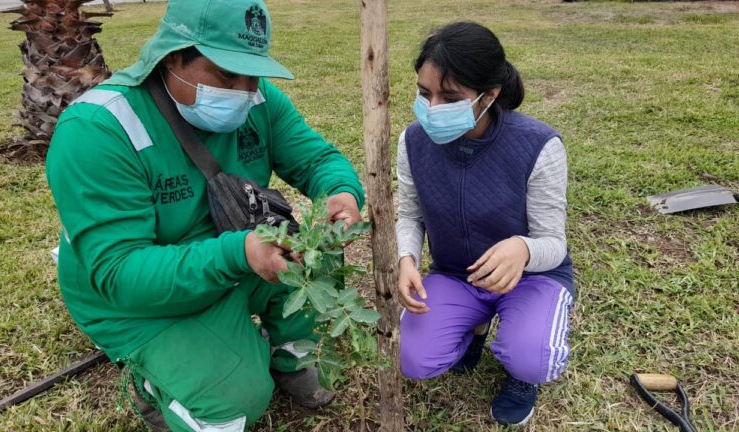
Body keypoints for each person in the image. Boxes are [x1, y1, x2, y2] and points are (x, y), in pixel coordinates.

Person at [45, 1, 365, 431]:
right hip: (139, 300)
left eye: (254, 73)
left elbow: (316, 159)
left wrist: (341, 193)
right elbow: (120, 273)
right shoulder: (97, 130)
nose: (245, 90)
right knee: (233, 406)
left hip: (231, 252)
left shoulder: (258, 99)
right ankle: (154, 383)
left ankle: (290, 351)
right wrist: (239, 253)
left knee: (318, 251)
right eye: (227, 74)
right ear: (173, 56)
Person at [396, 22, 575, 426]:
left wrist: (523, 248)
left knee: (533, 359)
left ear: (489, 95)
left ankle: (520, 376)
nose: (433, 108)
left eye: (451, 97)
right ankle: (475, 327)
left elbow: (553, 243)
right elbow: (409, 213)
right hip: (457, 275)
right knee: (411, 358)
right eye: (425, 94)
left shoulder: (539, 145)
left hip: (533, 277)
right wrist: (406, 258)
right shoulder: (412, 141)